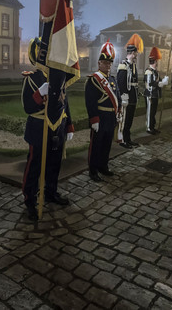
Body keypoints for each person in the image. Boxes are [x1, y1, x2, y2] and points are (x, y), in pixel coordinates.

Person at [21, 37, 74, 221]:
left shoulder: (58, 77)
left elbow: (64, 101)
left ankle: (51, 192)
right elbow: (27, 107)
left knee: (54, 163)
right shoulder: (31, 79)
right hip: (38, 127)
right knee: (34, 166)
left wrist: (69, 125)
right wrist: (39, 94)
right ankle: (30, 199)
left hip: (57, 127)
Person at [85, 40, 121, 182]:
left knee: (106, 144)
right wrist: (94, 119)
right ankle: (93, 170)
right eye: (105, 63)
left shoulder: (112, 79)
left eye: (110, 63)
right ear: (99, 63)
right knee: (96, 145)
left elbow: (116, 97)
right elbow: (90, 101)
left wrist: (118, 113)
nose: (108, 66)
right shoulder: (94, 80)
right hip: (100, 116)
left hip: (110, 117)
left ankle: (103, 166)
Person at [117, 34, 143, 148]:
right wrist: (123, 97)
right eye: (136, 53)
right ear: (132, 53)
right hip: (126, 97)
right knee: (124, 120)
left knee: (129, 120)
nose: (137, 55)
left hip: (133, 97)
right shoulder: (123, 66)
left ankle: (128, 138)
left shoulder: (133, 66)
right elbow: (121, 83)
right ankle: (122, 140)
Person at [143, 47, 168, 134]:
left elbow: (158, 81)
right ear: (154, 62)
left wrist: (164, 81)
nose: (157, 63)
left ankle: (152, 126)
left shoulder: (155, 71)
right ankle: (149, 128)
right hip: (150, 94)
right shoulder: (149, 71)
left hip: (155, 94)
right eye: (156, 61)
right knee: (150, 112)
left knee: (153, 112)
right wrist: (160, 84)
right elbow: (150, 83)